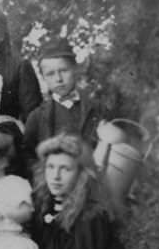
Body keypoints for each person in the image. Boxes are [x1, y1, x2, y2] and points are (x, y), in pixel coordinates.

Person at [23, 37, 102, 170]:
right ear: (43, 78)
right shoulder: (37, 117)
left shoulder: (96, 108)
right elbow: (27, 155)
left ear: (75, 69)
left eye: (64, 71)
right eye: (50, 74)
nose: (58, 79)